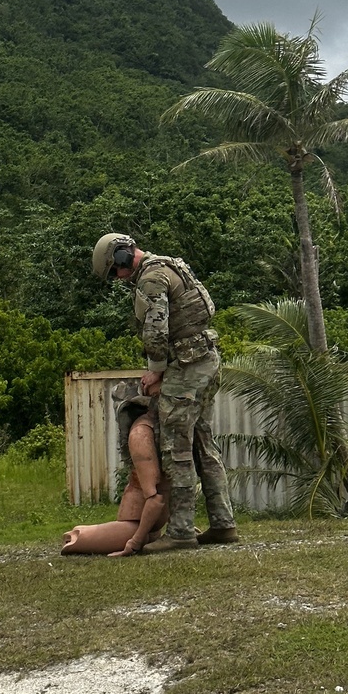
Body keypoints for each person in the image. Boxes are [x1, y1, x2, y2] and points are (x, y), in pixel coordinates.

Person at [91, 233, 239, 552]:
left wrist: (156, 371)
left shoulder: (152, 278)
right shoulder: (170, 265)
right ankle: (223, 524)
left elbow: (156, 331)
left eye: (114, 271)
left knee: (176, 446)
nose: (117, 279)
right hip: (205, 358)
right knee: (202, 441)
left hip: (188, 365)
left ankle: (182, 532)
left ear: (120, 257)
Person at [61, 396, 168, 556]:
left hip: (150, 519)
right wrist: (135, 542)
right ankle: (80, 535)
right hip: (135, 519)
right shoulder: (141, 433)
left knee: (149, 535)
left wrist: (180, 526)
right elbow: (155, 497)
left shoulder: (163, 428)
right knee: (76, 538)